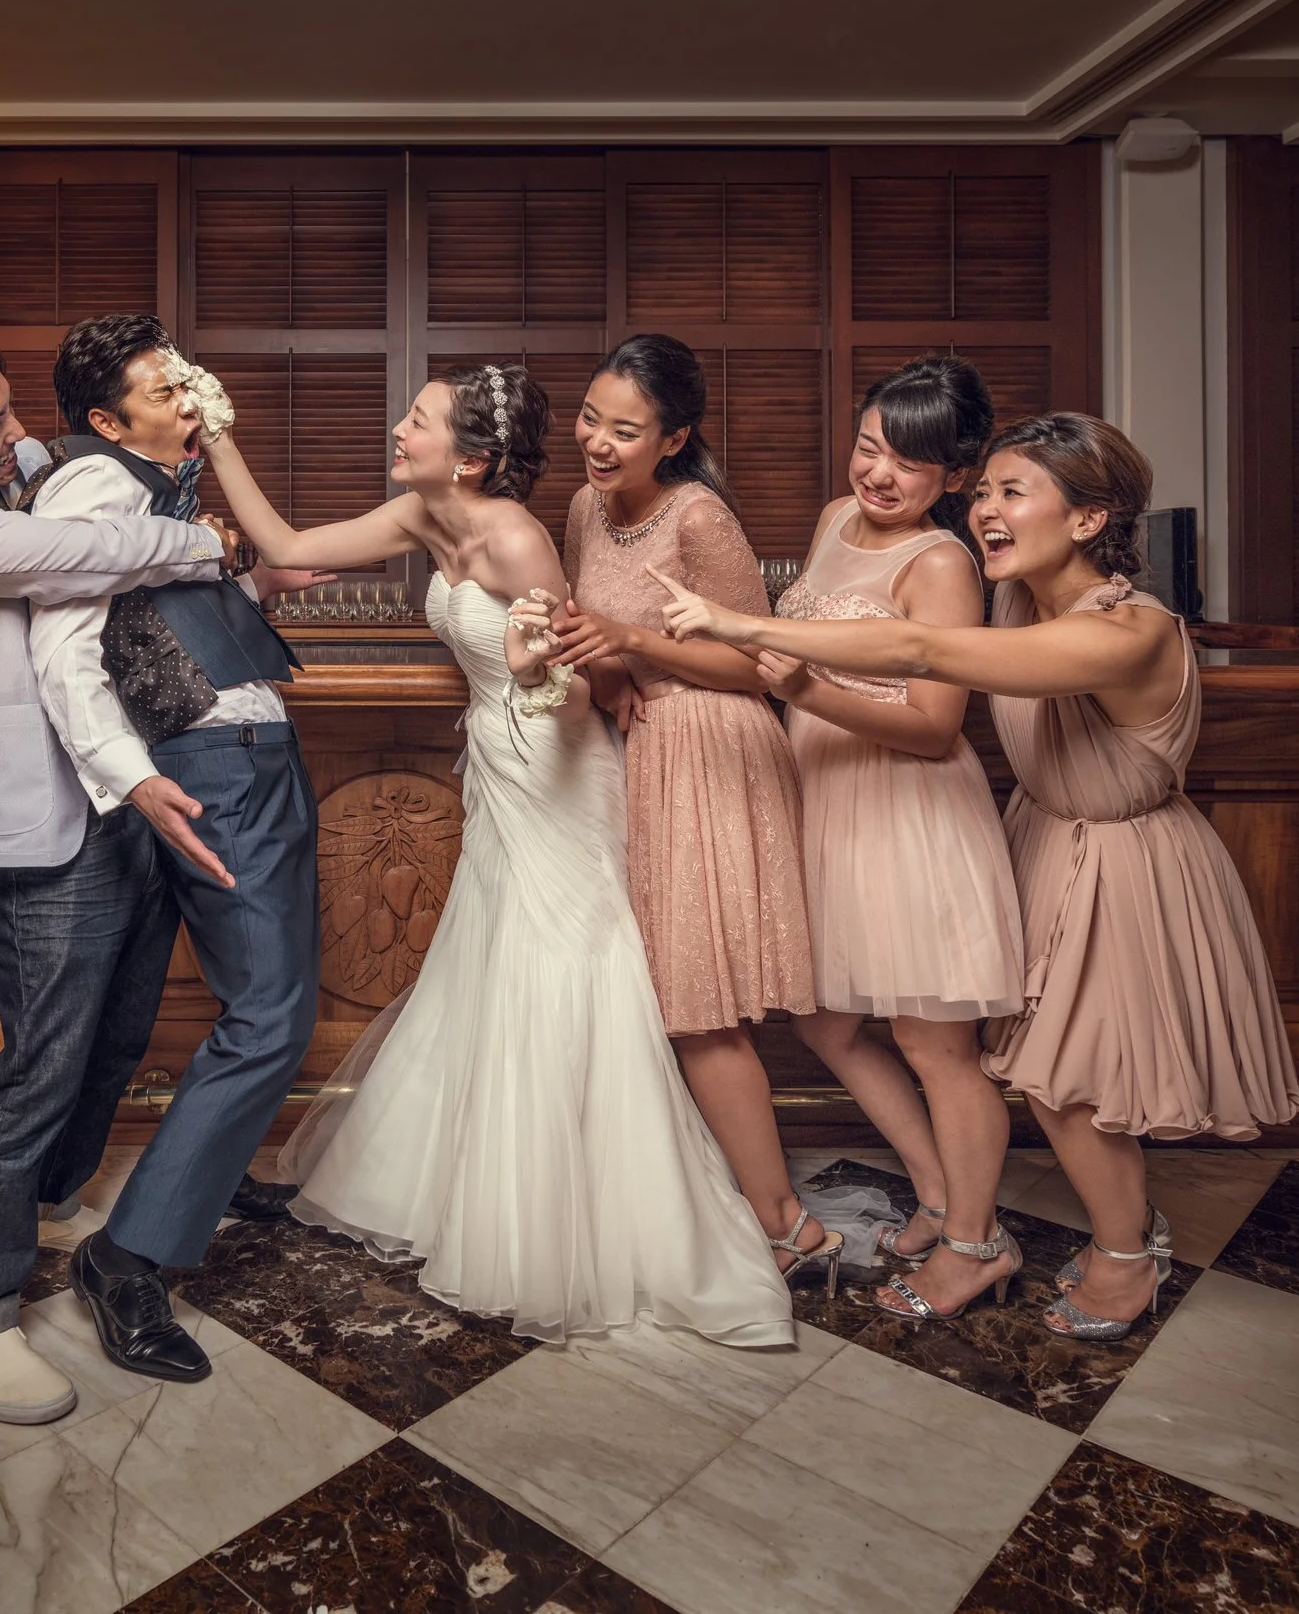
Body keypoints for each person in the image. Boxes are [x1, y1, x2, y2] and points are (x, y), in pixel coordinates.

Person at [654, 412, 1299, 1338]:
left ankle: (1117, 1256)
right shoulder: (1022, 598)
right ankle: (1070, 1225)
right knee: (1026, 1061)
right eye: (987, 490)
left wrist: (744, 626)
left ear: (1087, 519)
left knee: (1068, 1077)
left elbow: (924, 657)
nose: (987, 512)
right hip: (1042, 834)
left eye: (1012, 493)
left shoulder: (1128, 628)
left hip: (1123, 857)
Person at [205, 357, 797, 1347]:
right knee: (480, 967)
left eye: (419, 421)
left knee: (559, 969)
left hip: (559, 772)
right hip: (499, 764)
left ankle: (570, 1220)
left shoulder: (522, 539)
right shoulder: (419, 518)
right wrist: (213, 426)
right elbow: (286, 540)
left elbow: (570, 685)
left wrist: (535, 673)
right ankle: (449, 1189)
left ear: (473, 459)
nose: (398, 430)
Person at [0, 317, 243, 1426]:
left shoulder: (0, 465)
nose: (23, 434)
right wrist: (216, 544)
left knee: (117, 1036)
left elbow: (121, 469)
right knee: (37, 1068)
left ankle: (52, 1202)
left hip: (129, 791)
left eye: (11, 404)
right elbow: (92, 551)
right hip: (52, 820)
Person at [25, 315, 329, 1383]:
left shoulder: (161, 492)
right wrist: (136, 777)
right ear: (106, 419)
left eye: (183, 382)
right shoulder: (94, 490)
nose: (187, 401)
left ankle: (200, 1169)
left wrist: (253, 591)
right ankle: (129, 1256)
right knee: (272, 1011)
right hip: (210, 770)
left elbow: (155, 624)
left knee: (265, 1000)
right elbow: (63, 652)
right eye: (162, 392)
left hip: (243, 753)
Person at [544, 335, 834, 1289]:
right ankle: (724, 1199)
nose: (597, 442)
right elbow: (594, 633)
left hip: (710, 747)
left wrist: (631, 642)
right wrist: (614, 666)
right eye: (590, 418)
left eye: (624, 431)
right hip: (639, 750)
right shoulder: (586, 507)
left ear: (674, 439)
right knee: (658, 996)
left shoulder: (699, 514)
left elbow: (759, 663)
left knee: (700, 1008)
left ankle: (784, 1225)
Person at [762, 357, 1026, 1321]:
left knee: (934, 1043)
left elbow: (934, 723)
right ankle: (941, 1191)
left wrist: (800, 687)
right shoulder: (835, 518)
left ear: (953, 479)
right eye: (871, 447)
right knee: (827, 1021)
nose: (880, 476)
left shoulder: (943, 564)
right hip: (826, 803)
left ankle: (975, 1243)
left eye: (909, 465)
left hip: (908, 812)